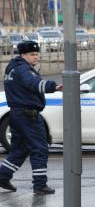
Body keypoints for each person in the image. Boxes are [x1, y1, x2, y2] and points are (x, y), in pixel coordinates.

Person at [0, 40, 63, 194]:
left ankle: (2, 176)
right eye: (32, 54)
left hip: (17, 114)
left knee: (20, 150)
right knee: (39, 149)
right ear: (23, 55)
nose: (35, 57)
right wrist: (54, 87)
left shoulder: (12, 68)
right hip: (28, 115)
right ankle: (40, 185)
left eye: (36, 54)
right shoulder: (23, 69)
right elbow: (34, 83)